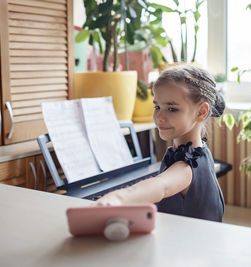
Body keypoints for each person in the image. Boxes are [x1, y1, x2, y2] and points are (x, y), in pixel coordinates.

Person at [96, 65, 225, 222]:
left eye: (171, 109)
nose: (159, 117)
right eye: (157, 106)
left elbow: (161, 186)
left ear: (201, 112)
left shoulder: (187, 167)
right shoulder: (197, 151)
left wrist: (118, 198)